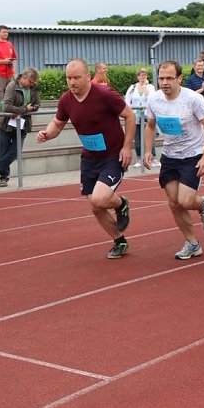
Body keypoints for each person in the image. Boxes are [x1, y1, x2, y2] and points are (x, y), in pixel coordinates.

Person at [36, 59, 135, 259]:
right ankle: (119, 241)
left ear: (88, 77)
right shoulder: (66, 100)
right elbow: (58, 123)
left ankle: (120, 204)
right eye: (68, 78)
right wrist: (47, 134)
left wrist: (127, 147)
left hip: (112, 155)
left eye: (76, 78)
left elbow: (130, 116)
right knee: (95, 206)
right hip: (89, 157)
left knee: (100, 198)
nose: (72, 82)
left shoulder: (105, 94)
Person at [143, 60, 204, 260]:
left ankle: (203, 205)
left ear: (179, 78)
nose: (165, 82)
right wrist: (148, 150)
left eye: (169, 78)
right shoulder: (154, 99)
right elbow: (150, 125)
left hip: (193, 155)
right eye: (161, 78)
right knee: (174, 203)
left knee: (185, 201)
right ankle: (192, 243)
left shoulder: (193, 99)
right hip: (170, 156)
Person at [0, 67, 41, 187]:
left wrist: (33, 108)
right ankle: (3, 177)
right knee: (4, 150)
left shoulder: (34, 88)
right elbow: (6, 106)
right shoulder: (12, 86)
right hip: (7, 123)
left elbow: (37, 104)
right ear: (24, 78)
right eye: (30, 82)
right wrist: (24, 109)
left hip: (23, 123)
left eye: (33, 83)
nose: (32, 84)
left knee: (16, 151)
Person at [124, 67, 155, 167]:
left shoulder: (150, 87)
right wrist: (130, 111)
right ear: (138, 76)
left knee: (149, 136)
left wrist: (145, 87)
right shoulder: (132, 87)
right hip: (135, 116)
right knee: (137, 138)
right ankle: (139, 159)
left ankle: (152, 158)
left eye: (145, 75)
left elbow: (151, 99)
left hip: (147, 115)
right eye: (141, 75)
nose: (143, 77)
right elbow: (127, 100)